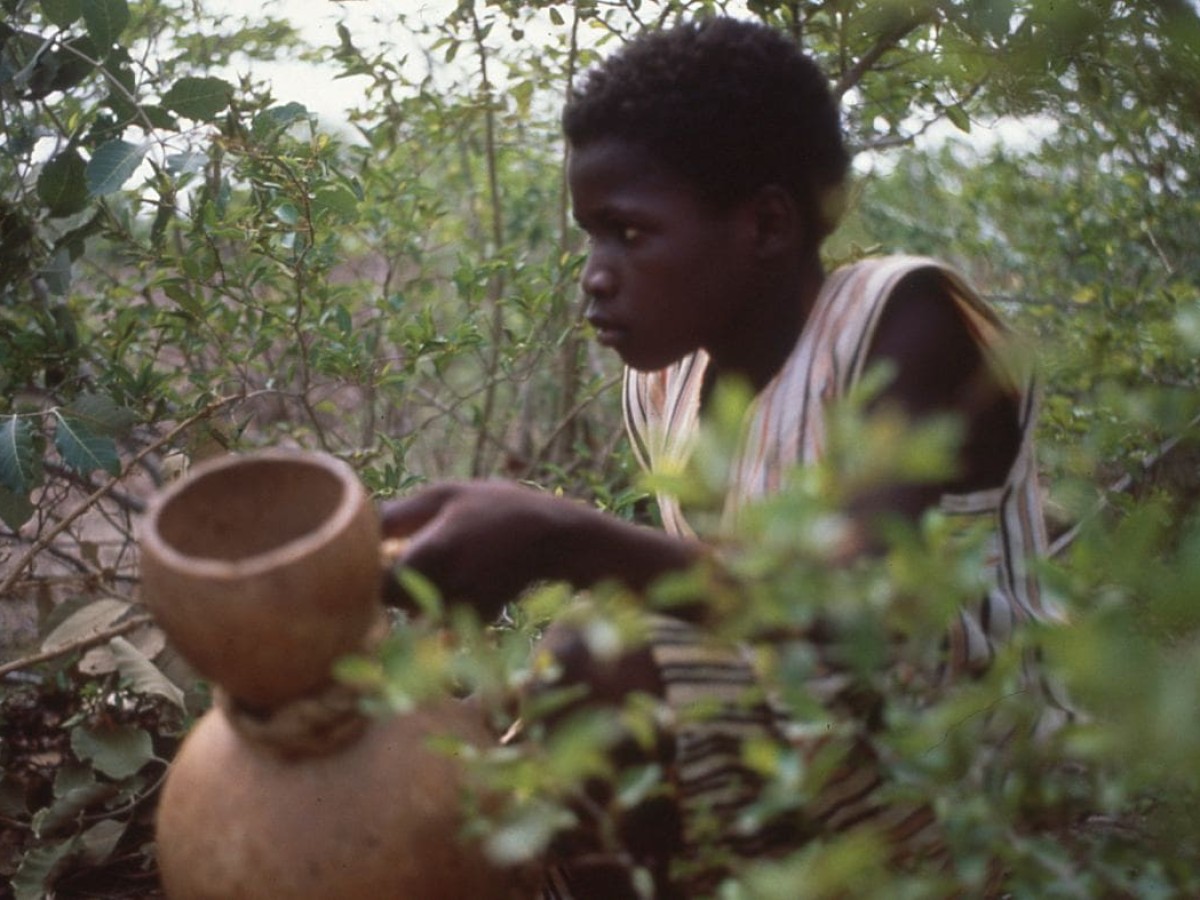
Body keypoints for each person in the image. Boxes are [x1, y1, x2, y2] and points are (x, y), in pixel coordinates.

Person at [381, 16, 1063, 896]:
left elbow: (857, 610)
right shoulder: (665, 384)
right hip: (801, 746)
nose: (594, 271)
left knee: (600, 657)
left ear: (767, 224)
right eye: (589, 234)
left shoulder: (901, 325)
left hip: (950, 792)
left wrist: (559, 537)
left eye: (627, 233)